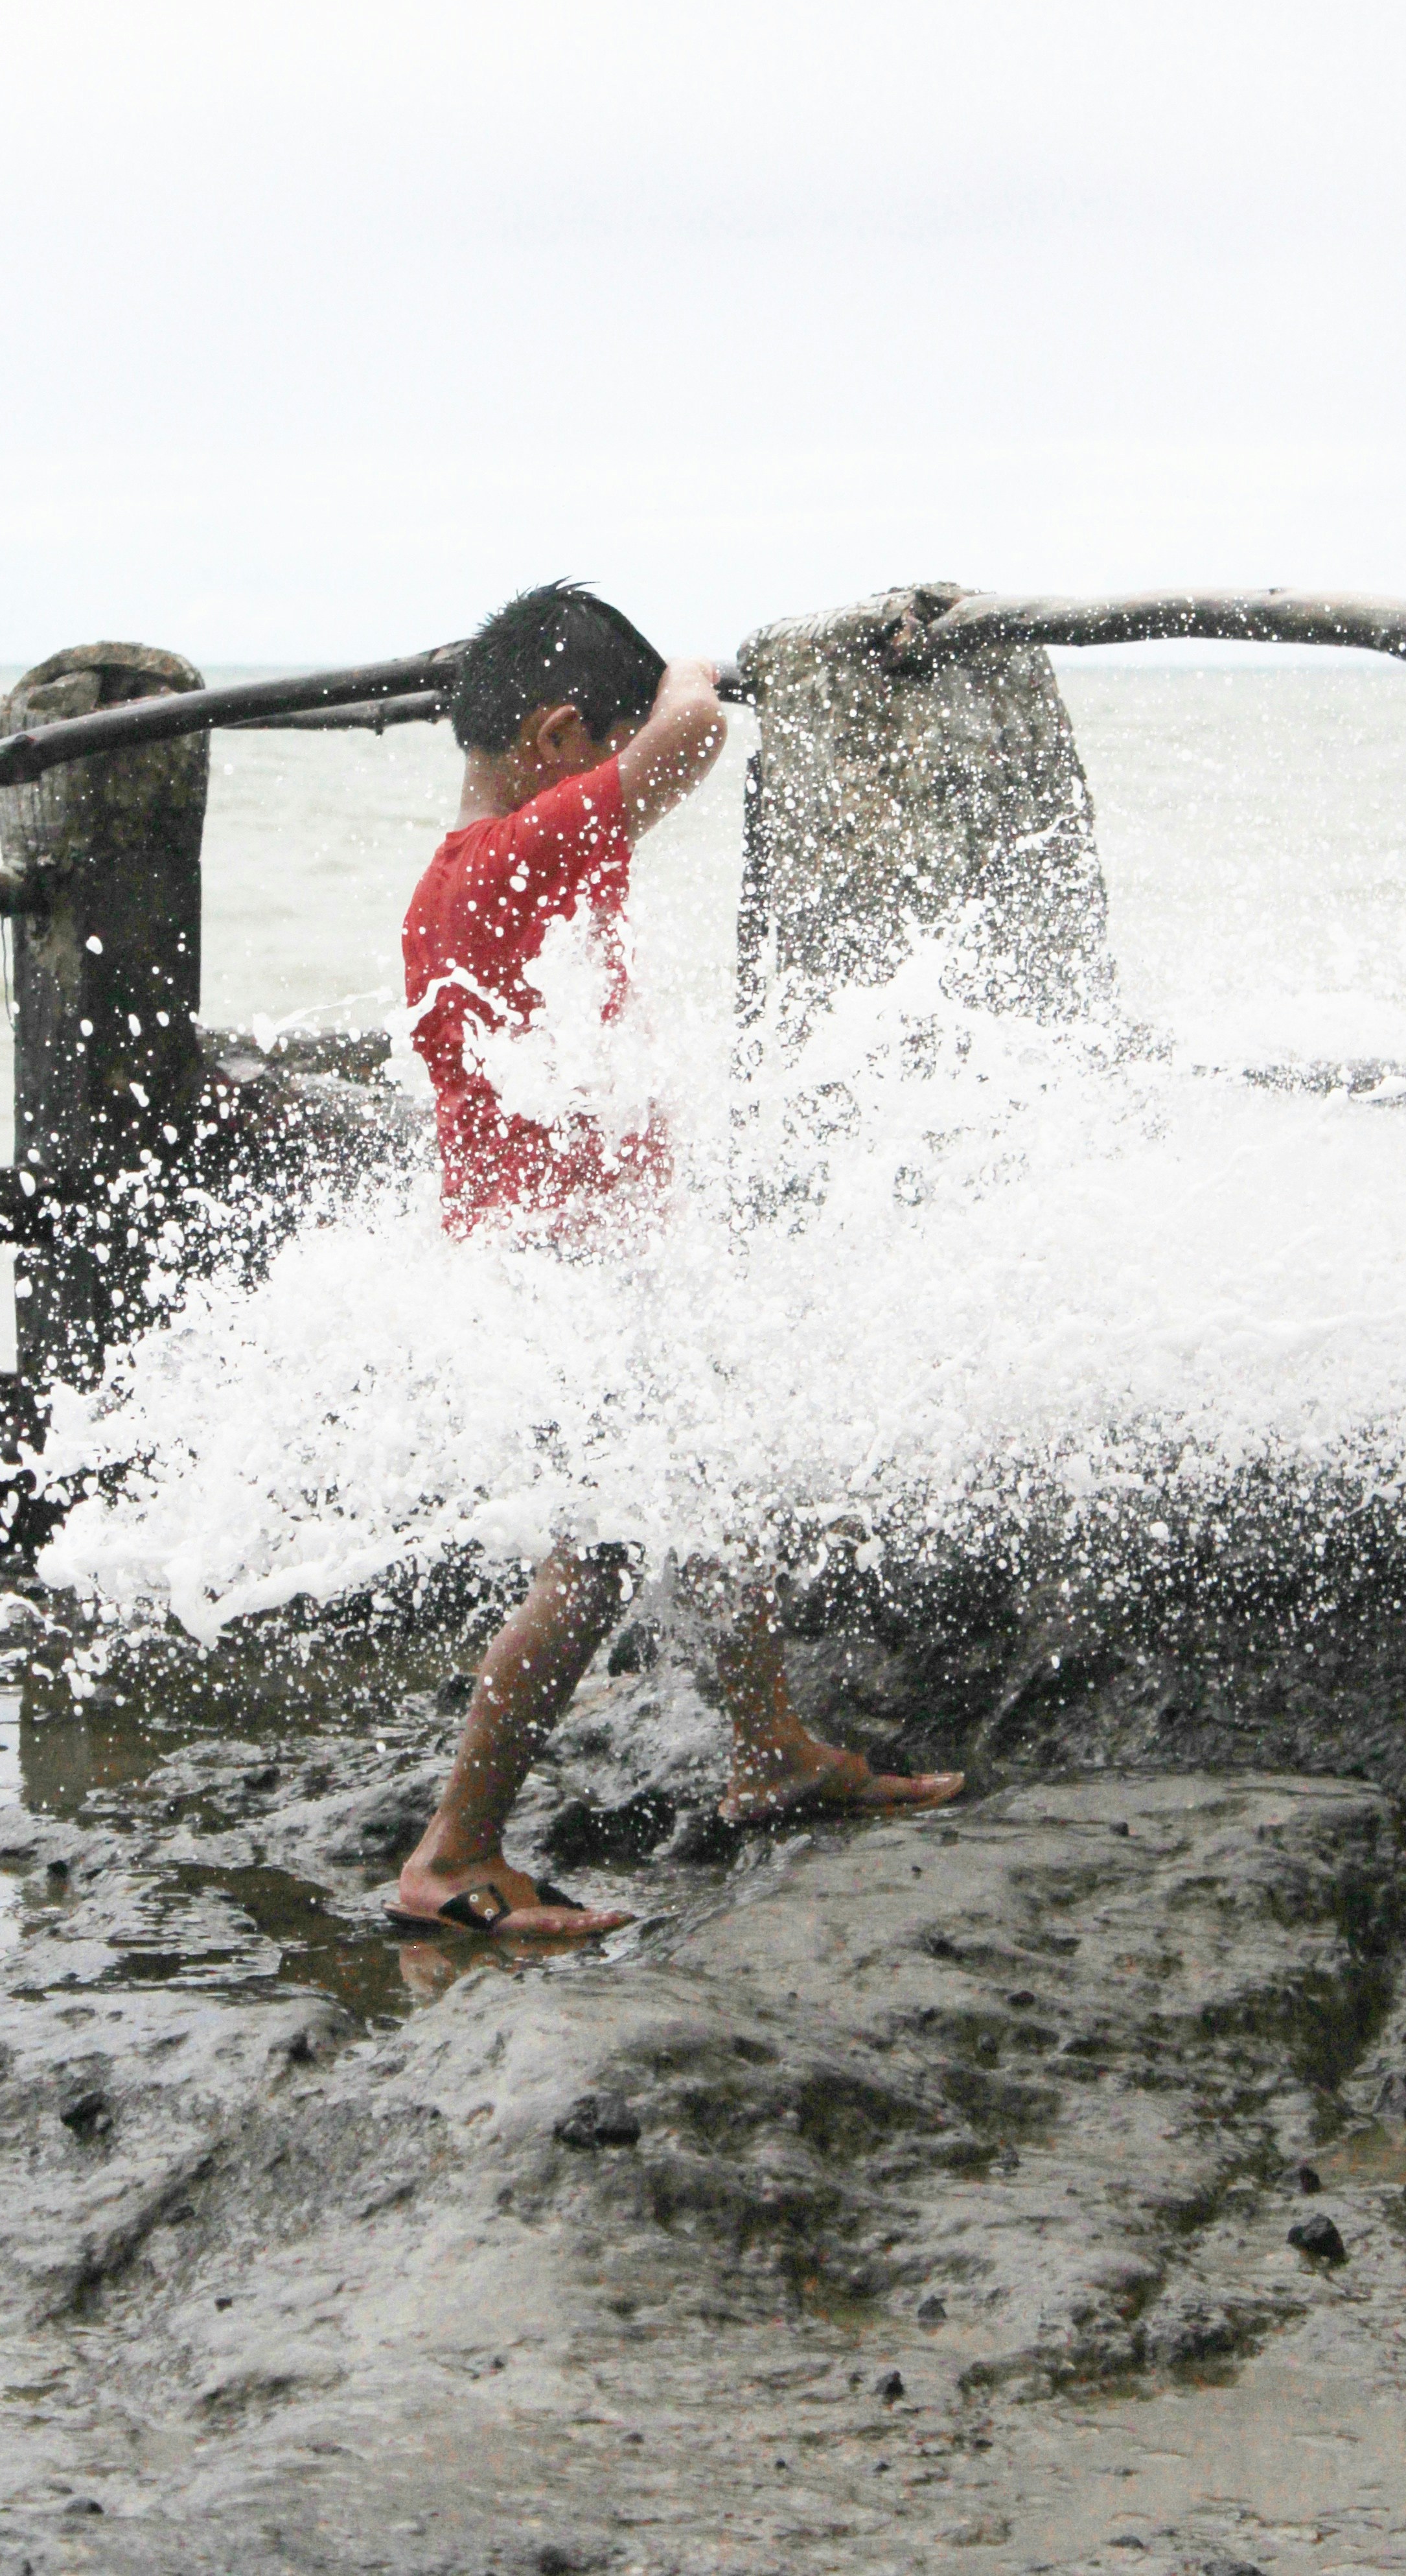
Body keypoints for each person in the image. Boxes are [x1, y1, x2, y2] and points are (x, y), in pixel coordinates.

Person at [394, 583, 962, 1941]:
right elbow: (691, 735)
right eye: (603, 741)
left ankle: (772, 1751)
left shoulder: (492, 859)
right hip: (550, 1275)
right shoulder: (512, 856)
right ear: (556, 736)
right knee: (591, 1560)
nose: (619, 776)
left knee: (709, 1483)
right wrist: (697, 675)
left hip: (579, 1258)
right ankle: (452, 1854)